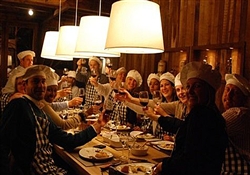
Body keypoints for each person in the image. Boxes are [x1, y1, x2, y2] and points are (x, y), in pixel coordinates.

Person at [0, 65, 108, 174]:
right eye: (35, 81)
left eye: (43, 81)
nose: (41, 86)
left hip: (49, 169)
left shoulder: (41, 111)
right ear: (25, 85)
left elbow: (68, 141)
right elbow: (2, 143)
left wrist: (97, 125)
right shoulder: (18, 105)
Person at [146, 62, 227, 175]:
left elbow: (190, 159)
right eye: (188, 86)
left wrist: (164, 166)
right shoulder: (208, 113)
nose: (190, 91)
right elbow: (181, 127)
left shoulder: (202, 115)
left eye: (197, 86)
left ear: (209, 90)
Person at [222, 74, 250, 162]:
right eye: (227, 89)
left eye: (235, 92)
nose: (229, 95)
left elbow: (208, 131)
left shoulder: (238, 114)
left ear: (244, 100)